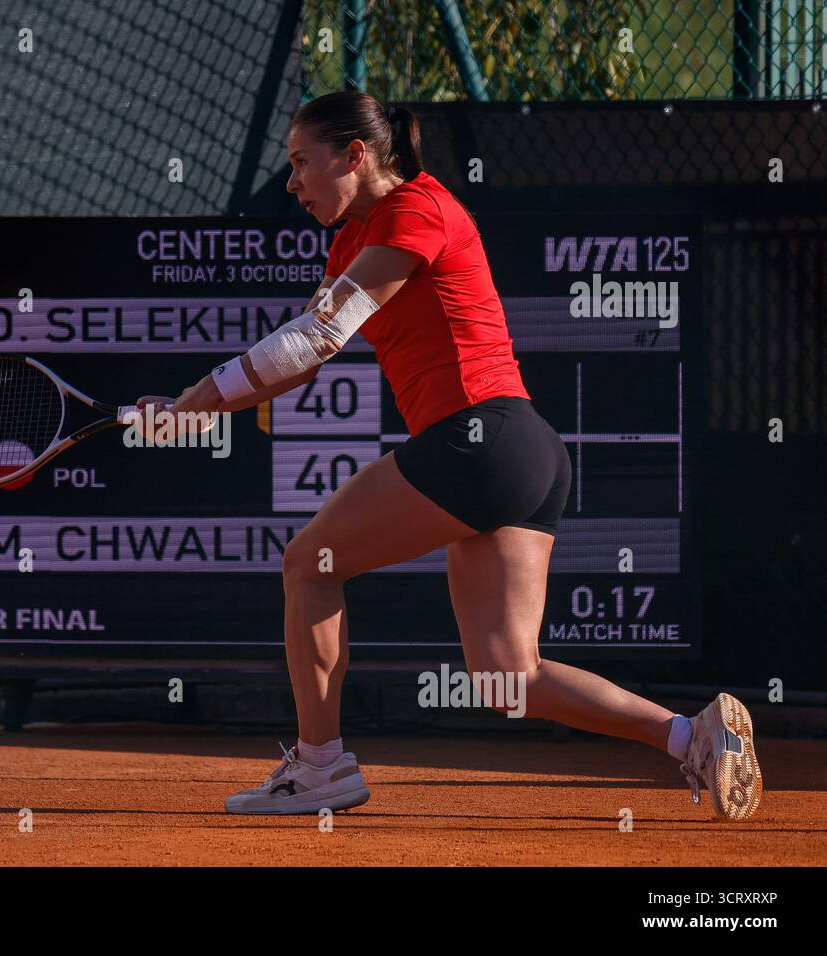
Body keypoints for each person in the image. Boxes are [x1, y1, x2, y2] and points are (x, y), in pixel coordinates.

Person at [137, 91, 762, 821]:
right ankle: (692, 736)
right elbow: (302, 361)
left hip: (481, 440)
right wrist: (188, 412)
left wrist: (198, 399)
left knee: (310, 564)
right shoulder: (353, 243)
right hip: (519, 454)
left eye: (303, 162)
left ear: (356, 156)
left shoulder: (417, 208)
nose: (292, 182)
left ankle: (319, 768)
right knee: (507, 675)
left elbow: (313, 341)